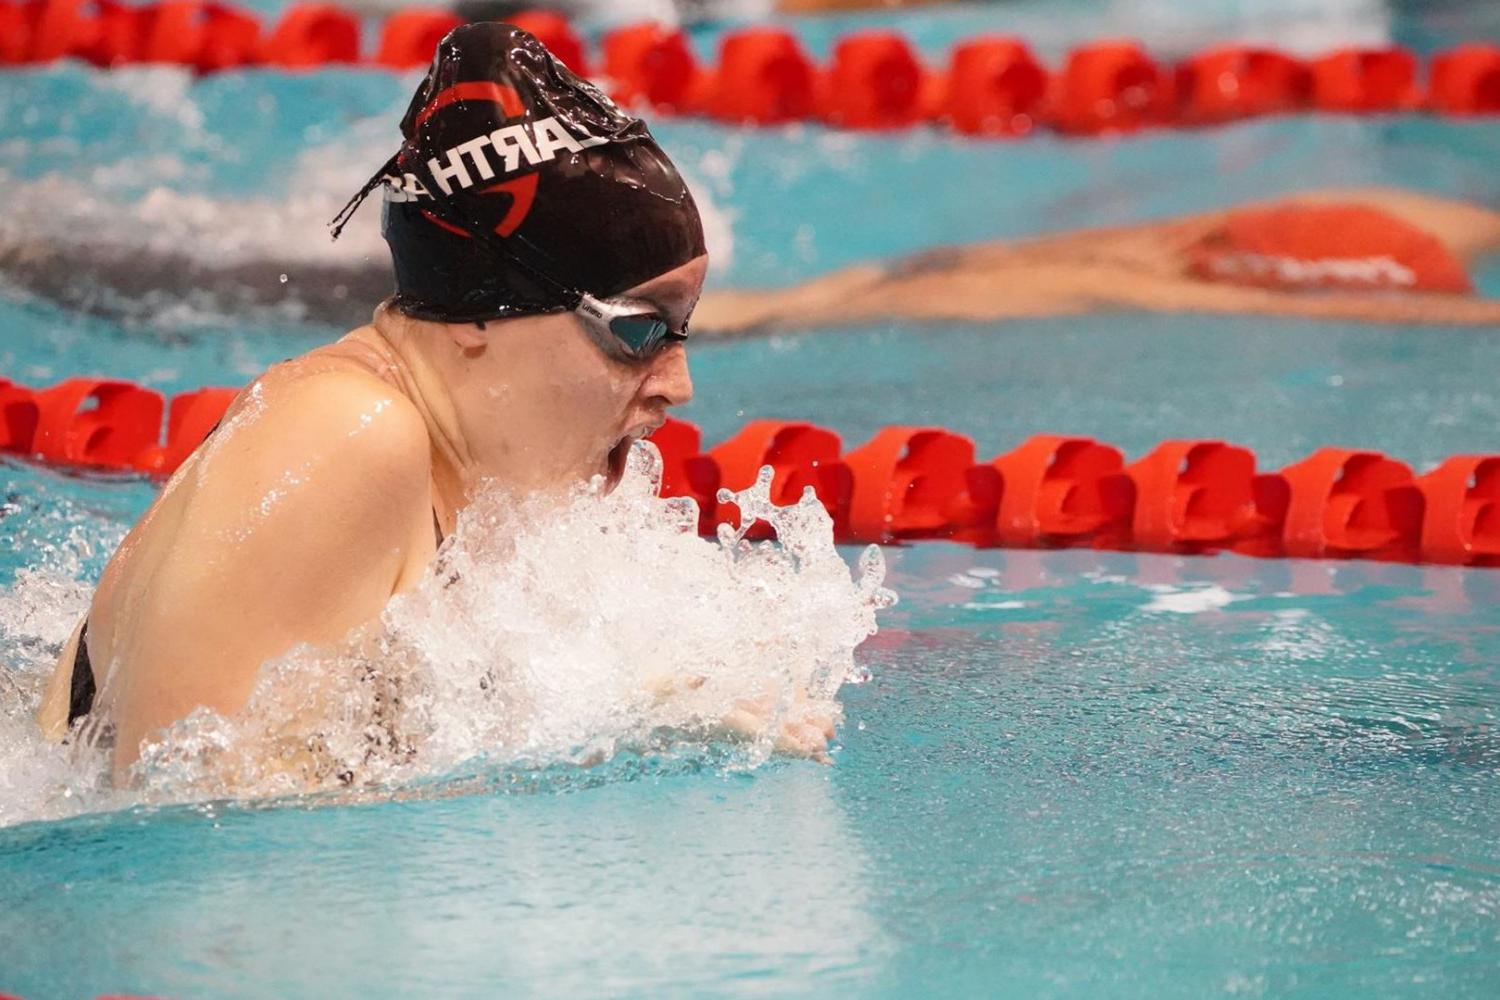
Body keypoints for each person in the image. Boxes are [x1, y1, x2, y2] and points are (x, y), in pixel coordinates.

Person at [35, 23, 832, 780]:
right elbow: (190, 831)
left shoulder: (460, 468)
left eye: (682, 329)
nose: (678, 384)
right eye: (638, 330)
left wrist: (649, 705)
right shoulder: (348, 436)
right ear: (485, 311)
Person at [692, 187, 1500, 335]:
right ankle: (735, 318)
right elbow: (1276, 308)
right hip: (1337, 250)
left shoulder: (1446, 225)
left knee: (955, 271)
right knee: (957, 279)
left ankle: (735, 315)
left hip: (1339, 231)